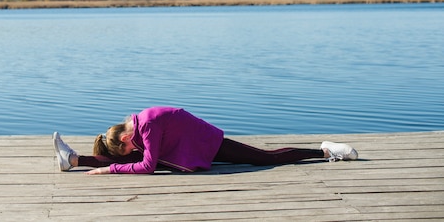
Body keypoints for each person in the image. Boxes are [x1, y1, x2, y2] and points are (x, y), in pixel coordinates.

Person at [52, 106, 358, 175]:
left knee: (267, 158)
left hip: (207, 145)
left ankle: (323, 150)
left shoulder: (146, 126)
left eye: (128, 146)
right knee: (135, 160)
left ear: (127, 135)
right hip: (190, 149)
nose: (131, 149)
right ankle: (73, 159)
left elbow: (146, 167)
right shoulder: (138, 127)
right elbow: (139, 159)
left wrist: (107, 169)